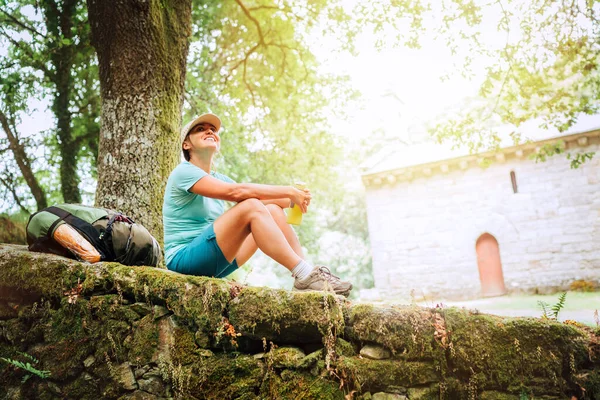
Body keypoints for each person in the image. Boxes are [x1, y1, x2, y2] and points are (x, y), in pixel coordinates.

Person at [162, 113, 353, 297]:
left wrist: (293, 199)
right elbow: (238, 193)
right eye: (201, 129)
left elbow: (259, 201)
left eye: (213, 129)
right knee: (251, 206)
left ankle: (308, 275)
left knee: (270, 210)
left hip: (214, 260)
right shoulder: (183, 172)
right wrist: (288, 191)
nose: (210, 132)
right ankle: (305, 274)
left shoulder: (219, 179)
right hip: (185, 260)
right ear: (186, 144)